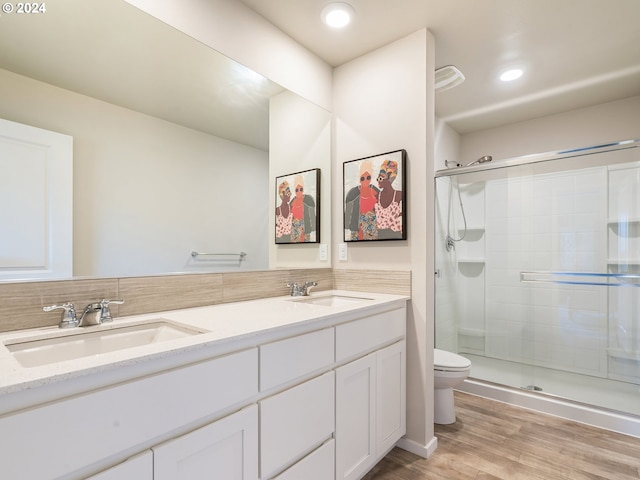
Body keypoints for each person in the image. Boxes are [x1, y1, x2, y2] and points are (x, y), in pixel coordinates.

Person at [344, 160, 379, 240]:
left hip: (373, 229)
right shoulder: (353, 193)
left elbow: (382, 208)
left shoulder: (375, 191)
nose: (365, 180)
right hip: (357, 230)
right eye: (362, 178)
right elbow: (347, 215)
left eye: (368, 177)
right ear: (359, 178)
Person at [375, 159, 403, 239]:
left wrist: (398, 215)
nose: (378, 181)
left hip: (396, 235)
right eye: (377, 179)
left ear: (389, 177)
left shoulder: (398, 194)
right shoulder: (377, 196)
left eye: (380, 178)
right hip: (381, 237)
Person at [290, 174, 317, 242]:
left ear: (303, 189)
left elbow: (312, 216)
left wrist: (314, 229)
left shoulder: (308, 199)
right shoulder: (292, 201)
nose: (299, 191)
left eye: (301, 189)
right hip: (294, 229)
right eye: (297, 190)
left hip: (305, 229)